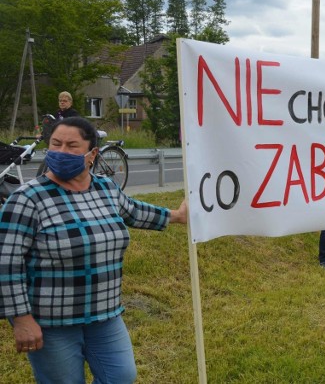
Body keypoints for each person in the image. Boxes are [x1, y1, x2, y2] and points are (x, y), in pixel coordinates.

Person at [0, 117, 188, 383]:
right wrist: (21, 319)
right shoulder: (27, 199)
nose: (61, 152)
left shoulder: (105, 188)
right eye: (55, 144)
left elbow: (133, 211)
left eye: (72, 146)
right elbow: (7, 264)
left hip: (104, 314)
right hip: (52, 322)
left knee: (121, 376)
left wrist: (177, 216)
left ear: (92, 154)